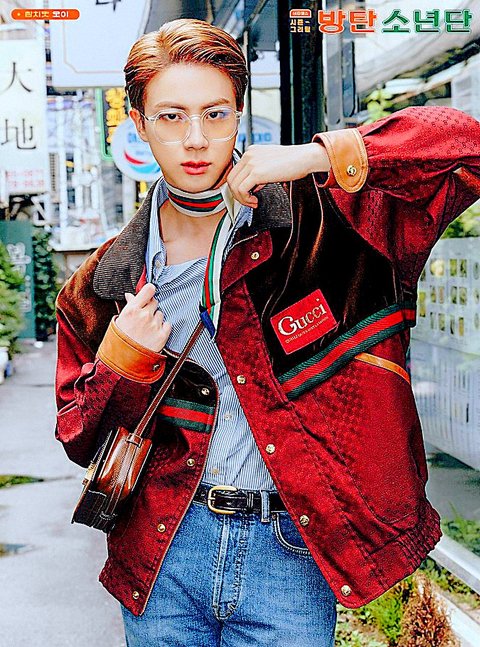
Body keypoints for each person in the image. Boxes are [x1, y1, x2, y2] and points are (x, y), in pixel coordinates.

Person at [54, 17, 480, 647]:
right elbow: (77, 435)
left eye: (215, 114)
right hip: (165, 551)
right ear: (139, 125)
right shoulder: (105, 282)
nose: (196, 139)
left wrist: (319, 155)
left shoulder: (326, 220)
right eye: (171, 116)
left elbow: (467, 147)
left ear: (239, 115)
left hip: (290, 552)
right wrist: (124, 362)